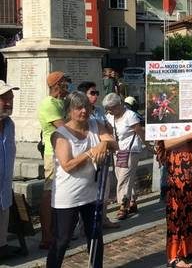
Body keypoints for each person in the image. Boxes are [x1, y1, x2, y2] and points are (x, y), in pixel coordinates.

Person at [46, 91, 118, 268]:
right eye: (79, 108)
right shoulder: (60, 135)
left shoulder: (96, 124)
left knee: (94, 235)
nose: (84, 111)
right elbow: (67, 165)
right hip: (68, 195)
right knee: (62, 240)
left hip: (92, 192)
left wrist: (103, 143)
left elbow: (114, 144)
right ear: (69, 111)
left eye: (86, 106)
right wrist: (89, 153)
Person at [156, 128, 192, 268]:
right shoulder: (169, 115)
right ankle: (174, 255)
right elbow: (166, 143)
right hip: (178, 164)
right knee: (178, 210)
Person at [76, 83, 118, 229]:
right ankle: (80, 225)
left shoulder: (99, 110)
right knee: (85, 191)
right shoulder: (77, 113)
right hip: (87, 156)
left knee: (104, 190)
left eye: (97, 92)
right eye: (92, 93)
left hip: (104, 154)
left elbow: (109, 128)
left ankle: (103, 218)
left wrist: (106, 139)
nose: (96, 96)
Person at [37, 71, 68, 249]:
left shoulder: (61, 101)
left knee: (58, 193)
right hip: (52, 153)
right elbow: (63, 127)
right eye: (64, 82)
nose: (67, 85)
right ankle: (46, 235)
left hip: (61, 151)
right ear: (56, 84)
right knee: (49, 193)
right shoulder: (49, 103)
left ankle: (56, 230)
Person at [103, 93, 144, 221]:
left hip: (130, 150)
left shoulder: (130, 115)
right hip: (118, 151)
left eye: (112, 108)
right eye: (108, 108)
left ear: (119, 104)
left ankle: (123, 206)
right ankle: (131, 202)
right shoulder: (109, 116)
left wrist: (148, 145)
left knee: (124, 179)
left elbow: (140, 132)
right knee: (121, 176)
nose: (110, 111)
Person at [0, 81, 19, 259]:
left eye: (10, 98)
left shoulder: (9, 125)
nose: (8, 102)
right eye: (4, 98)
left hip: (4, 189)